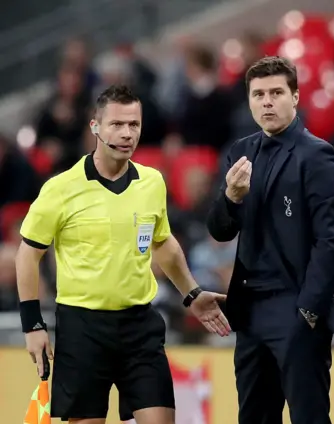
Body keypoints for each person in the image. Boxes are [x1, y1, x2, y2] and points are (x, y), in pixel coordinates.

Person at [15, 85, 231, 424]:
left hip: (139, 326)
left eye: (134, 124)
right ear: (95, 127)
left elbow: (163, 242)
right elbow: (28, 254)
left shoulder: (152, 183)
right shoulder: (61, 188)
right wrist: (33, 325)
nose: (127, 133)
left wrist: (191, 293)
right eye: (117, 124)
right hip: (82, 327)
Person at [206, 56, 334, 424]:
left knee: (309, 415)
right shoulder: (240, 151)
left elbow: (331, 240)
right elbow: (219, 230)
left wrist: (309, 311)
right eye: (258, 95)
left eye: (276, 93)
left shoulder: (317, 155)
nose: (266, 102)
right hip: (251, 308)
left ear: (296, 96)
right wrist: (230, 198)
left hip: (295, 305)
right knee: (253, 416)